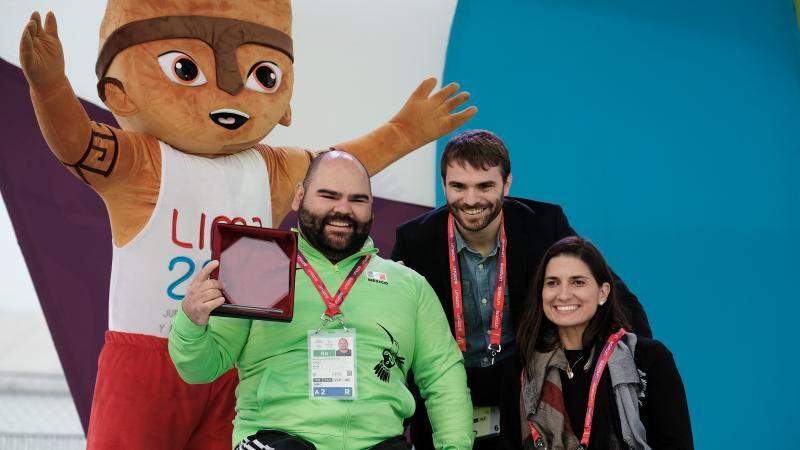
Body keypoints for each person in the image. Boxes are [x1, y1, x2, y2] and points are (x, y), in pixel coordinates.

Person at [169, 150, 473, 450]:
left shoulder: (409, 285)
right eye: (329, 195)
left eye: (358, 199)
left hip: (380, 442)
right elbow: (199, 369)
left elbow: (443, 376)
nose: (343, 209)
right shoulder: (260, 265)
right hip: (277, 438)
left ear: (372, 208)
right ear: (299, 196)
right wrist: (191, 322)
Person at [391, 130, 652, 450]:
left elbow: (615, 295)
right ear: (443, 184)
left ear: (507, 183)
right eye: (458, 186)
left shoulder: (544, 225)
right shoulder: (415, 240)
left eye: (485, 186)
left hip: (526, 391)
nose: (470, 199)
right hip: (443, 397)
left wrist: (642, 364)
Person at [517, 236, 692, 449]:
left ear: (603, 293)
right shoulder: (524, 367)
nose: (563, 295)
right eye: (553, 283)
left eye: (578, 282)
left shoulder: (649, 359)